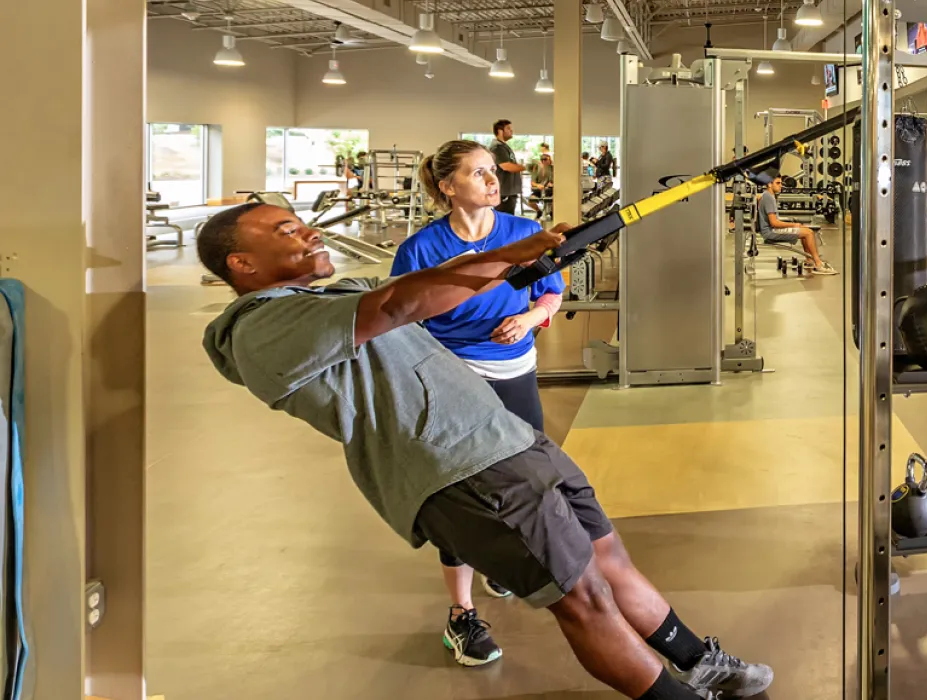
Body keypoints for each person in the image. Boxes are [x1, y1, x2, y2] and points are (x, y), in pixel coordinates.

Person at [195, 204, 773, 699]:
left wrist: (518, 261)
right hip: (462, 469)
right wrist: (509, 257)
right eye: (284, 232)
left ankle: (703, 665)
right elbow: (398, 305)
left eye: (301, 224)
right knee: (585, 598)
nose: (308, 233)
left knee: (610, 561)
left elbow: (432, 281)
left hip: (508, 438)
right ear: (241, 265)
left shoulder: (321, 300)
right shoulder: (259, 328)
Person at [391, 140, 567, 666]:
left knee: (525, 472)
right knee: (461, 491)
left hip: (517, 370)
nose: (493, 181)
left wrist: (529, 320)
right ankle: (461, 614)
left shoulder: (521, 235)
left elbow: (552, 293)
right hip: (455, 376)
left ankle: (500, 560)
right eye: (478, 173)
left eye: (493, 172)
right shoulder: (421, 249)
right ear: (448, 187)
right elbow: (401, 320)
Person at [757, 176, 835, 275]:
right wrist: (794, 225)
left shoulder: (769, 196)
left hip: (771, 229)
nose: (781, 185)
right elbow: (774, 223)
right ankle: (818, 264)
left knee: (805, 230)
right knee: (808, 233)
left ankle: (809, 260)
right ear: (769, 184)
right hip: (771, 232)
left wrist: (795, 225)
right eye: (778, 183)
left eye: (781, 183)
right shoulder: (768, 197)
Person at [489, 119, 528, 215]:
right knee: (504, 219)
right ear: (500, 131)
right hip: (504, 192)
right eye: (508, 128)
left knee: (509, 218)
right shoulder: (498, 147)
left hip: (509, 192)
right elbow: (506, 166)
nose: (511, 131)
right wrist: (525, 167)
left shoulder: (504, 146)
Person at [529, 152, 555, 219]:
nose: (544, 161)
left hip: (551, 191)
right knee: (531, 201)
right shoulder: (537, 169)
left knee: (555, 200)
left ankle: (552, 212)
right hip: (539, 190)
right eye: (542, 160)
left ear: (550, 160)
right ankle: (538, 211)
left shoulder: (554, 169)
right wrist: (538, 185)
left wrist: (553, 184)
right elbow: (532, 182)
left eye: (546, 159)